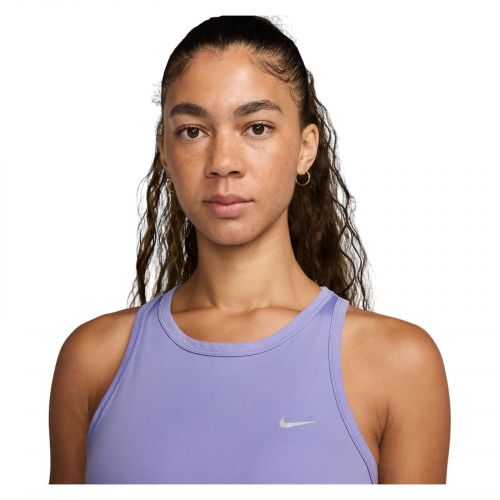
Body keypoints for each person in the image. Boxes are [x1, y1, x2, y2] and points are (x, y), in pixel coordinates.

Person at [48, 15, 451, 484]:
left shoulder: (399, 364)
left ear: (306, 148)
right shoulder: (93, 360)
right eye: (193, 131)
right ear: (164, 151)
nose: (223, 163)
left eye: (256, 127)